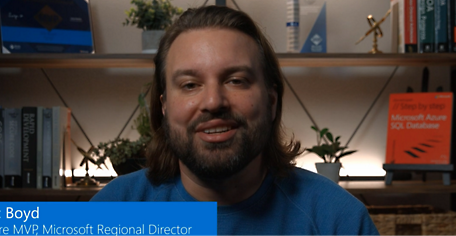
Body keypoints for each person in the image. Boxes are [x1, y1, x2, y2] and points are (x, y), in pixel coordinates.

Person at [91, 5, 379, 235]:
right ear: (164, 106)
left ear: (271, 100)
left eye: (236, 80)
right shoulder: (111, 211)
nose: (214, 102)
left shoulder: (338, 220)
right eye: (190, 85)